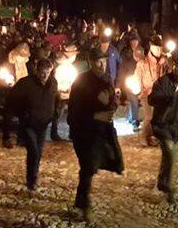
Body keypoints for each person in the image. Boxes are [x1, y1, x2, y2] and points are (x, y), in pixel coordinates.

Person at [68, 48, 124, 223]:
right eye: (98, 61)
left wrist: (112, 102)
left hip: (101, 131)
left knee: (90, 167)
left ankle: (81, 202)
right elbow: (74, 108)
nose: (101, 65)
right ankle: (85, 206)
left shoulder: (107, 79)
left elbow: (112, 104)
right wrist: (93, 115)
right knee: (88, 167)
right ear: (91, 63)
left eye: (104, 61)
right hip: (84, 130)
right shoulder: (81, 81)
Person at [148, 50, 178, 203]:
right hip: (163, 126)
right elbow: (151, 99)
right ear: (174, 66)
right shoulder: (163, 82)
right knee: (170, 153)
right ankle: (169, 186)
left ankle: (162, 182)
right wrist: (166, 99)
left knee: (168, 157)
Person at [3, 58, 57, 194]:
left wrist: (54, 114)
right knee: (34, 151)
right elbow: (10, 104)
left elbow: (55, 99)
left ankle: (33, 177)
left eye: (47, 72)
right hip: (29, 124)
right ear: (36, 71)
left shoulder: (53, 83)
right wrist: (7, 132)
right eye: (42, 72)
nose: (44, 76)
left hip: (43, 124)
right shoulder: (25, 84)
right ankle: (31, 181)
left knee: (38, 152)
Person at [135, 35, 168, 146]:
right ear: (151, 47)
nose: (159, 49)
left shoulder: (165, 60)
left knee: (158, 117)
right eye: (156, 47)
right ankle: (143, 137)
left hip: (161, 93)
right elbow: (137, 77)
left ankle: (152, 137)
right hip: (147, 93)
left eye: (160, 47)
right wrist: (140, 91)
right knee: (149, 116)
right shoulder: (143, 63)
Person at [119, 33, 144, 131]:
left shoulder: (143, 61)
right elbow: (121, 72)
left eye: (136, 41)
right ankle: (134, 122)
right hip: (130, 84)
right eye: (132, 41)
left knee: (136, 103)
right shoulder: (127, 59)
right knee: (134, 102)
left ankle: (130, 117)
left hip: (140, 85)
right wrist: (118, 85)